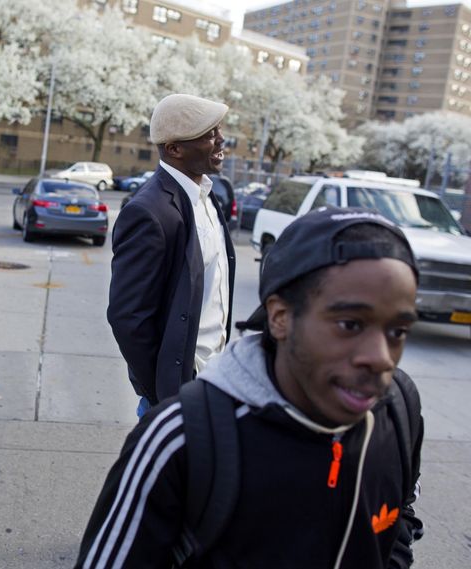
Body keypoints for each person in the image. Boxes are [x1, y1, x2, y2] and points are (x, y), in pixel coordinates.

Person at [77, 207, 425, 568]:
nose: (381, 358)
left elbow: (399, 518)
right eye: (350, 325)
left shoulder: (399, 409)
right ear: (280, 318)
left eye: (397, 332)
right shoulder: (182, 439)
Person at [107, 93, 235, 417]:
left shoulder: (206, 196)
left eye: (218, 129)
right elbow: (128, 317)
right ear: (175, 148)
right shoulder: (148, 212)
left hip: (214, 383)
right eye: (209, 133)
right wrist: (164, 392)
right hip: (177, 399)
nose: (221, 139)